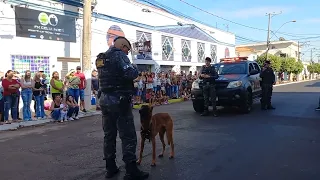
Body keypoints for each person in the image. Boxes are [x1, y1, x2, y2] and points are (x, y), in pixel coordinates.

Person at [96, 36, 149, 180]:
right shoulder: (119, 55)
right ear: (122, 46)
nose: (126, 53)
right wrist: (134, 67)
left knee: (109, 135)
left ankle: (110, 167)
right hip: (119, 101)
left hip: (105, 100)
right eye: (127, 50)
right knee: (128, 135)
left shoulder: (101, 58)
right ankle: (131, 170)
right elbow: (131, 73)